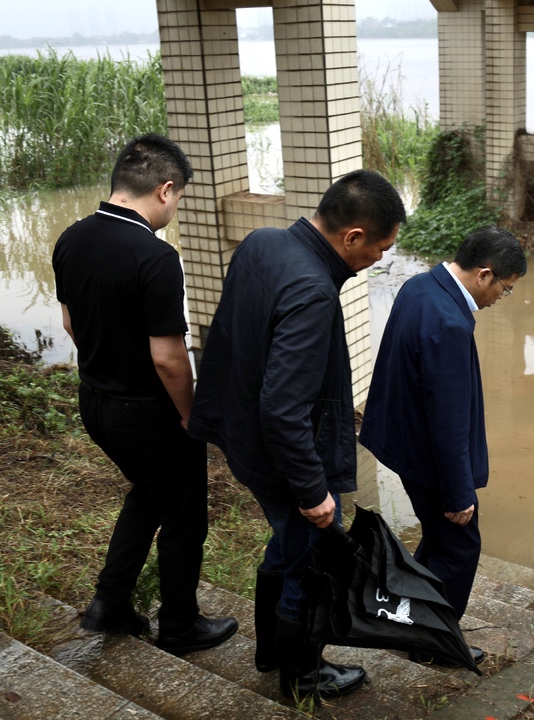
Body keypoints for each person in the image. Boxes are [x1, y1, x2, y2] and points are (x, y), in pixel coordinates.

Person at [188, 169, 406, 699]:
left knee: (288, 545)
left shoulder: (263, 243)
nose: (379, 259)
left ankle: (270, 651)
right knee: (307, 562)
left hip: (245, 441)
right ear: (352, 236)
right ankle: (301, 675)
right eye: (380, 248)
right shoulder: (312, 290)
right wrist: (314, 492)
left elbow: (238, 343)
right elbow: (285, 408)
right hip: (284, 456)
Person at [52, 133, 238, 655]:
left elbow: (70, 321)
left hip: (96, 402)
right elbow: (168, 356)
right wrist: (190, 416)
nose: (174, 210)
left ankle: (109, 602)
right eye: (177, 199)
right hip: (148, 411)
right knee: (184, 516)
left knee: (151, 493)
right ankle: (180, 626)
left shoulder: (71, 237)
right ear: (165, 188)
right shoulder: (155, 257)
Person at [359, 226, 527, 668]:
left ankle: (405, 619)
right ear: (484, 275)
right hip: (428, 454)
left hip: (402, 440)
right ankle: (434, 643)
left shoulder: (421, 285)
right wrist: (458, 494)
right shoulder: (450, 323)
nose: (498, 300)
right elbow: (449, 419)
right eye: (504, 290)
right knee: (458, 546)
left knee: (437, 540)